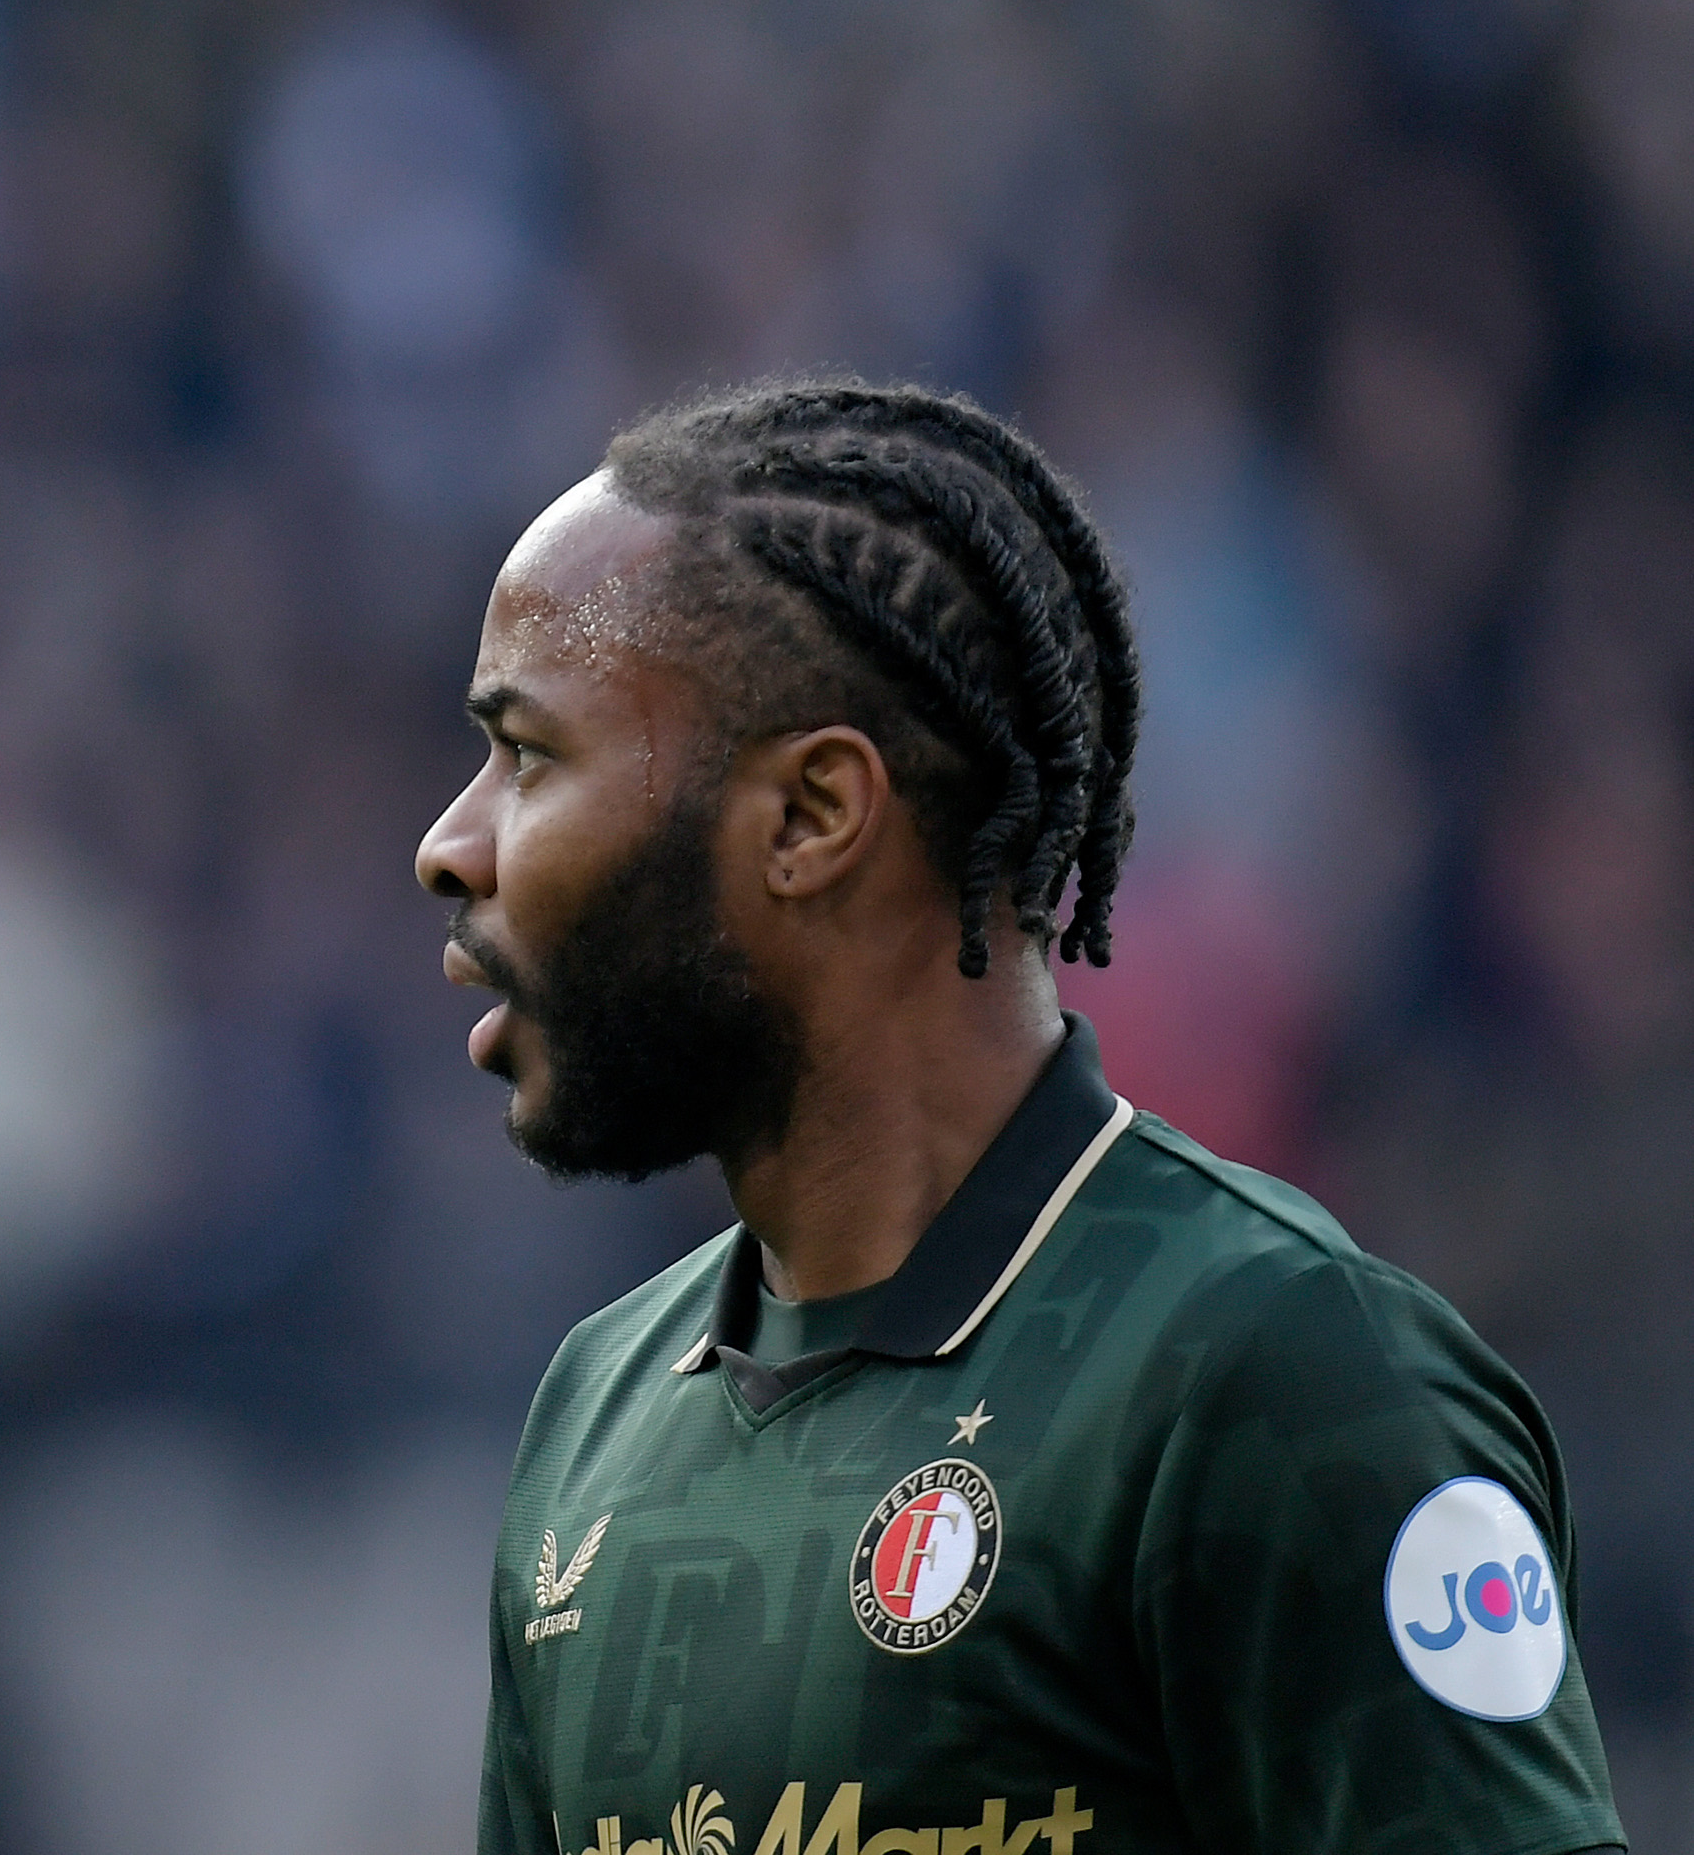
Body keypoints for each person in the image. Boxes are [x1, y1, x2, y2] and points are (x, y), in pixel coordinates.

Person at [418, 381, 1623, 1855]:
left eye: (527, 754)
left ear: (808, 818)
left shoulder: (1277, 1380)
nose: (449, 845)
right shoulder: (593, 1421)